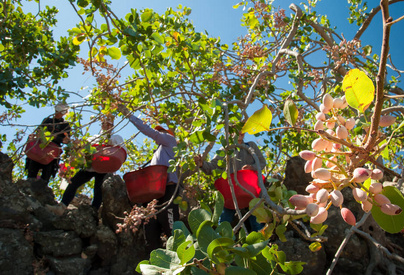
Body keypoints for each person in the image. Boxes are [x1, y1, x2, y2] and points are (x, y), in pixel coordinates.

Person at [118, 104, 179, 253]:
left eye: (162, 132)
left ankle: (181, 259)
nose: (159, 135)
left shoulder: (171, 141)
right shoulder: (157, 152)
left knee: (169, 222)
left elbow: (148, 130)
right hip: (153, 192)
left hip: (168, 188)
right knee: (149, 227)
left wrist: (129, 116)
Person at [47, 118, 126, 215]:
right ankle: (62, 206)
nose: (106, 126)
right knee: (74, 182)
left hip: (106, 166)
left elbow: (122, 151)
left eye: (109, 124)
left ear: (112, 125)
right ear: (101, 125)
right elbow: (84, 148)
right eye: (104, 123)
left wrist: (110, 142)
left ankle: (94, 211)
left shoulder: (116, 137)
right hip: (91, 165)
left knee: (98, 190)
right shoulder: (94, 137)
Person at [194, 132, 266, 232]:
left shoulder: (251, 146)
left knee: (257, 220)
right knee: (225, 220)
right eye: (236, 129)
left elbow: (262, 162)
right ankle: (222, 244)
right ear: (230, 132)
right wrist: (202, 164)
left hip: (251, 191)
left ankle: (262, 244)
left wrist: (252, 167)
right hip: (231, 192)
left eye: (242, 129)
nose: (240, 132)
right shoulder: (224, 150)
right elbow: (212, 167)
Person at [25, 102, 71, 184]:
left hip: (52, 152)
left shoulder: (65, 125)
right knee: (32, 170)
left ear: (64, 113)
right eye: (57, 110)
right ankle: (28, 186)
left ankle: (42, 191)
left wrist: (54, 137)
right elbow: (39, 131)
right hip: (40, 148)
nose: (58, 113)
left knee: (46, 174)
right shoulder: (47, 120)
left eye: (61, 111)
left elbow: (66, 140)